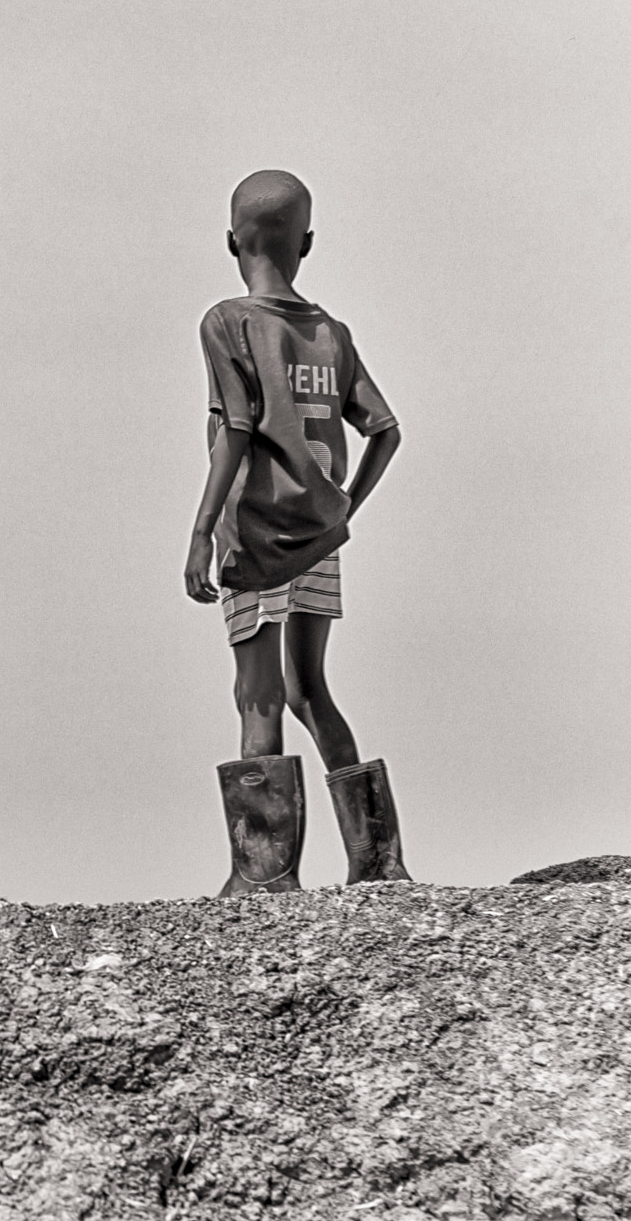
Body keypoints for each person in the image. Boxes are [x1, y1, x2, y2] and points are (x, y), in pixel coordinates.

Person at [183, 170, 412, 897]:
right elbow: (385, 429)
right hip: (319, 535)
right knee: (311, 687)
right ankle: (377, 863)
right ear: (307, 243)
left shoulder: (227, 322)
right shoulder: (331, 334)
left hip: (253, 537)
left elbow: (239, 432)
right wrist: (345, 507)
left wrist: (198, 533)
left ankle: (264, 873)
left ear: (230, 241)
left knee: (256, 697)